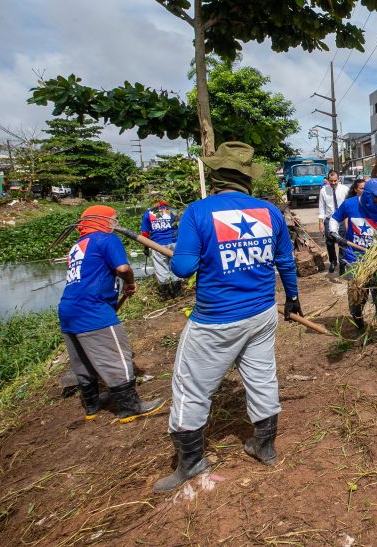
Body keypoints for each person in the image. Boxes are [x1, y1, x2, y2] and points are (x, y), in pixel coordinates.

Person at [154, 142, 300, 493]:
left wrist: (183, 252)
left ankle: (190, 463)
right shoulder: (269, 212)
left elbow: (182, 268)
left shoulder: (198, 212)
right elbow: (286, 263)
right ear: (247, 179)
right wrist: (293, 299)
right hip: (263, 313)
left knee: (190, 386)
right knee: (262, 377)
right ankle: (263, 446)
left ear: (216, 177)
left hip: (215, 319)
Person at [59, 205, 165, 423]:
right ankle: (130, 407)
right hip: (93, 310)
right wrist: (131, 283)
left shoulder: (77, 245)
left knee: (82, 362)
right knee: (117, 355)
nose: (116, 224)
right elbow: (123, 269)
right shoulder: (106, 239)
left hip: (68, 310)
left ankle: (92, 405)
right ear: (104, 221)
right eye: (114, 220)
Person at [329, 180, 377, 349]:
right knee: (356, 298)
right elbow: (334, 218)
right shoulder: (350, 204)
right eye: (376, 197)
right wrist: (333, 232)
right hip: (355, 259)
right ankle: (360, 329)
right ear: (368, 195)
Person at [140, 199, 181, 298]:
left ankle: (166, 295)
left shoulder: (149, 212)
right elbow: (182, 227)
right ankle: (178, 292)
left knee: (161, 267)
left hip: (157, 244)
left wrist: (146, 247)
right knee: (175, 265)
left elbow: (145, 233)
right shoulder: (173, 210)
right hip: (175, 243)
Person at [317, 170, 349, 274]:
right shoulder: (323, 191)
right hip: (329, 219)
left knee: (342, 242)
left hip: (342, 219)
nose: (333, 183)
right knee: (330, 241)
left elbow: (348, 206)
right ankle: (333, 261)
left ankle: (342, 264)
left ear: (338, 179)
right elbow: (321, 207)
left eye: (335, 181)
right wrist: (321, 222)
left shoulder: (345, 189)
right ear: (328, 180)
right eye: (331, 181)